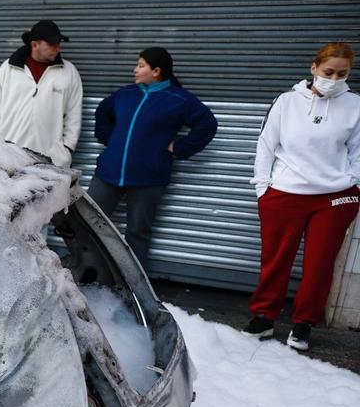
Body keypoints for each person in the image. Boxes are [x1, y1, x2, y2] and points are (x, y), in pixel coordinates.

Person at [243, 42, 360, 352]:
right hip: (284, 194)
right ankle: (264, 317)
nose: (334, 79)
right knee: (275, 259)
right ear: (314, 68)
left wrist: (352, 185)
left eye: (342, 74)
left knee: (320, 264)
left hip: (334, 197)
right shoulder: (286, 102)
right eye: (328, 72)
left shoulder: (355, 105)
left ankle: (303, 323)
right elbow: (266, 146)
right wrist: (262, 188)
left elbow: (358, 152)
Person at [88, 47, 218, 265]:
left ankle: (133, 288)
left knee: (137, 233)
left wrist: (180, 147)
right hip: (108, 174)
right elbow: (103, 111)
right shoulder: (126, 93)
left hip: (148, 180)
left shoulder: (178, 99)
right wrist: (111, 139)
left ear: (156, 71)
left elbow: (207, 124)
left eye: (140, 65)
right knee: (89, 222)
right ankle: (88, 272)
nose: (135, 70)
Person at [0, 20, 83, 168]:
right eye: (52, 44)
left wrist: (66, 149)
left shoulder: (69, 72)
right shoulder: (9, 68)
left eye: (58, 44)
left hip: (50, 161)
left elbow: (74, 116)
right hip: (9, 157)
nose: (57, 48)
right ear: (35, 44)